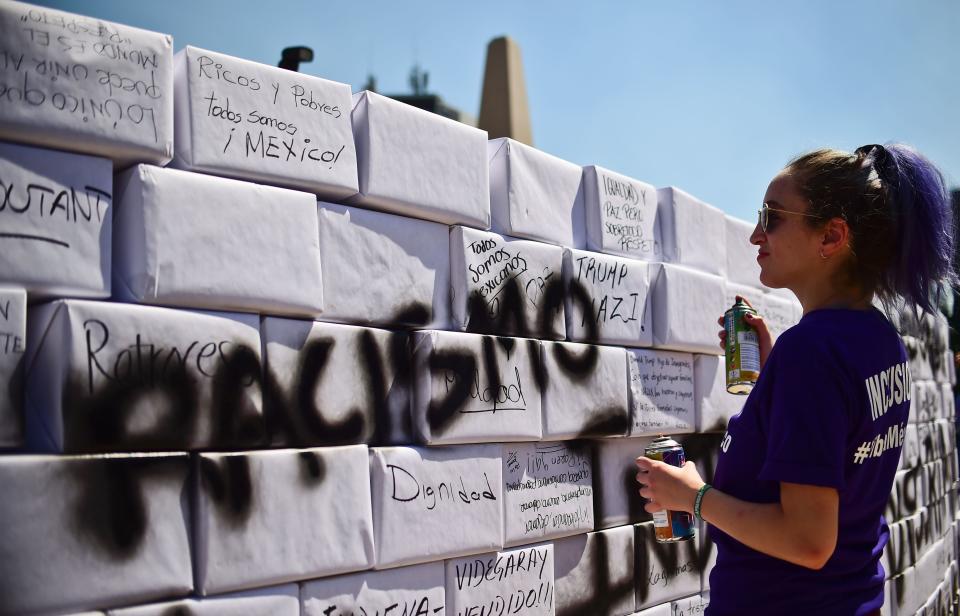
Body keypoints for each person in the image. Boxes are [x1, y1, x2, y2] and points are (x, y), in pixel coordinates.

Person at [635, 144, 956, 615]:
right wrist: (775, 381)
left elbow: (808, 542)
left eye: (772, 216)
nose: (755, 235)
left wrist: (692, 496)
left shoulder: (811, 354)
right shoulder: (877, 338)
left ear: (831, 237)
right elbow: (844, 440)